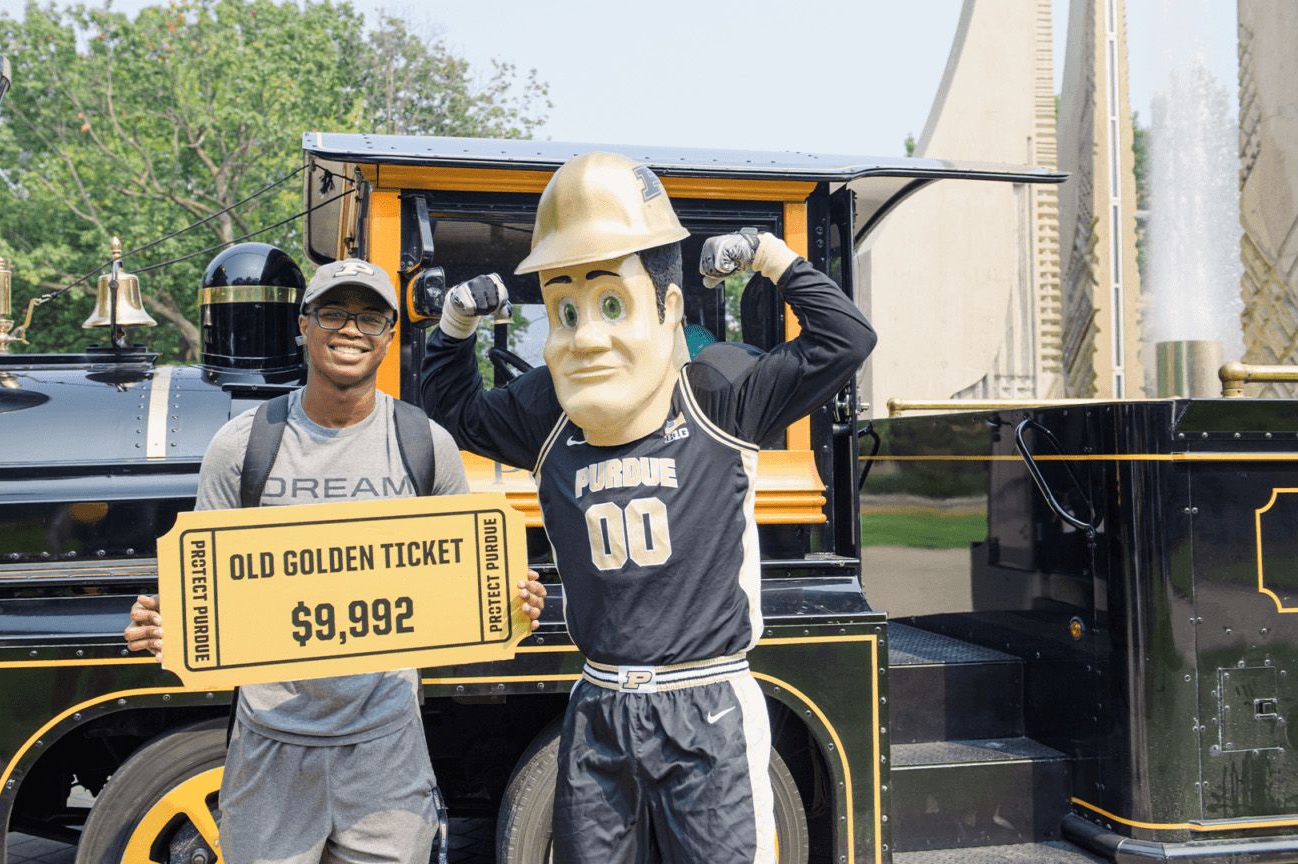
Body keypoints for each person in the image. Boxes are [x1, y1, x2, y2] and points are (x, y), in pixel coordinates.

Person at [420, 152, 876, 864]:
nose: (589, 336)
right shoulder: (548, 413)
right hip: (601, 702)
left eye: (610, 304)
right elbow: (453, 413)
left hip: (705, 705)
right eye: (565, 312)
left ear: (667, 308)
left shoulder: (717, 396)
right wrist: (451, 329)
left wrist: (771, 256)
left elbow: (846, 340)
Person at [125, 255, 547, 864]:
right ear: (304, 325)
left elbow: (465, 587)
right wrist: (169, 628)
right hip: (270, 747)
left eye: (371, 318)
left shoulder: (426, 445)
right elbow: (204, 595)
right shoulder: (242, 447)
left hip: (386, 748)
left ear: (389, 336)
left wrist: (509, 602)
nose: (351, 330)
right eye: (333, 312)